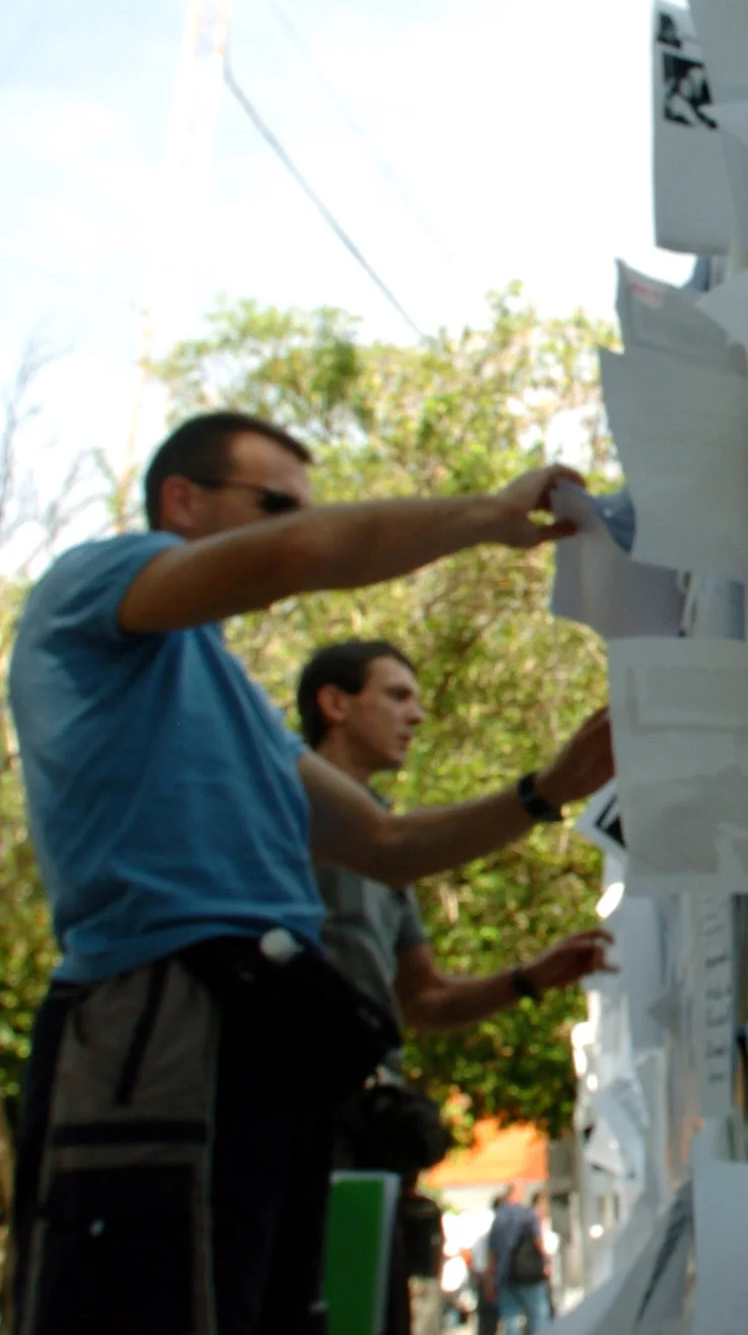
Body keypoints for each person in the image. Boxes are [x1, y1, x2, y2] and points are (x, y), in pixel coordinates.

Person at [6, 410, 613, 1334]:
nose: (295, 523)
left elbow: (384, 844)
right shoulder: (92, 583)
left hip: (270, 1028)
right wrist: (485, 514)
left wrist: (547, 789)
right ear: (183, 501)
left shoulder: (233, 699)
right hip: (162, 1006)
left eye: (300, 508)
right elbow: (304, 555)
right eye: (273, 502)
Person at [300, 638, 614, 1335]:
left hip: (368, 1134)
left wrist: (528, 979)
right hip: (294, 1121)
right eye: (397, 694)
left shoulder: (391, 851)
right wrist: (545, 788)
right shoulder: (288, 809)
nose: (416, 714)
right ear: (334, 703)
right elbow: (387, 842)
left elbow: (423, 999)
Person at [484, 1186, 551, 1334]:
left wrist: (490, 1278)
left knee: (510, 1320)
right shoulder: (529, 1214)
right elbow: (538, 1241)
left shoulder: (499, 1217)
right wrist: (546, 1262)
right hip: (529, 1273)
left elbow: (492, 1252)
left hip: (504, 1275)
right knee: (538, 1316)